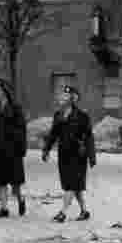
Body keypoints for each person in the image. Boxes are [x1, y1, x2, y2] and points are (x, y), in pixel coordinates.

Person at [42, 85, 96, 222]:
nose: (62, 98)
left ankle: (63, 212)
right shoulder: (58, 115)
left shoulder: (82, 116)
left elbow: (89, 136)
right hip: (64, 154)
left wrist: (91, 156)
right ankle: (84, 211)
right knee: (72, 185)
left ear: (73, 99)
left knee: (72, 185)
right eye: (61, 96)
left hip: (78, 155)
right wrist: (46, 149)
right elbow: (53, 134)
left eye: (66, 96)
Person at [0, 78, 27, 218]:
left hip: (12, 149)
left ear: (5, 91)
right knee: (0, 180)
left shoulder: (16, 107)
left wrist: (21, 147)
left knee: (15, 182)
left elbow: (21, 129)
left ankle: (20, 198)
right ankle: (4, 208)